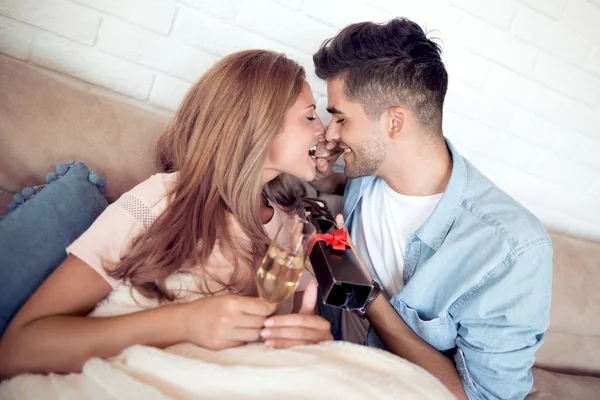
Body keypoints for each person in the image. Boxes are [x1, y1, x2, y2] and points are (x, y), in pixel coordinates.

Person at [0, 50, 333, 377]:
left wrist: (310, 339)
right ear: (260, 126)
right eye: (310, 116)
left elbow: (290, 340)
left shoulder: (291, 228)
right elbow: (18, 349)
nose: (325, 130)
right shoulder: (162, 200)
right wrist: (185, 322)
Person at [311, 18, 553, 400]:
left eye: (340, 117)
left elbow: (482, 397)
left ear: (394, 121)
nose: (329, 132)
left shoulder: (511, 249)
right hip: (328, 365)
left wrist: (367, 296)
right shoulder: (367, 171)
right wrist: (319, 171)